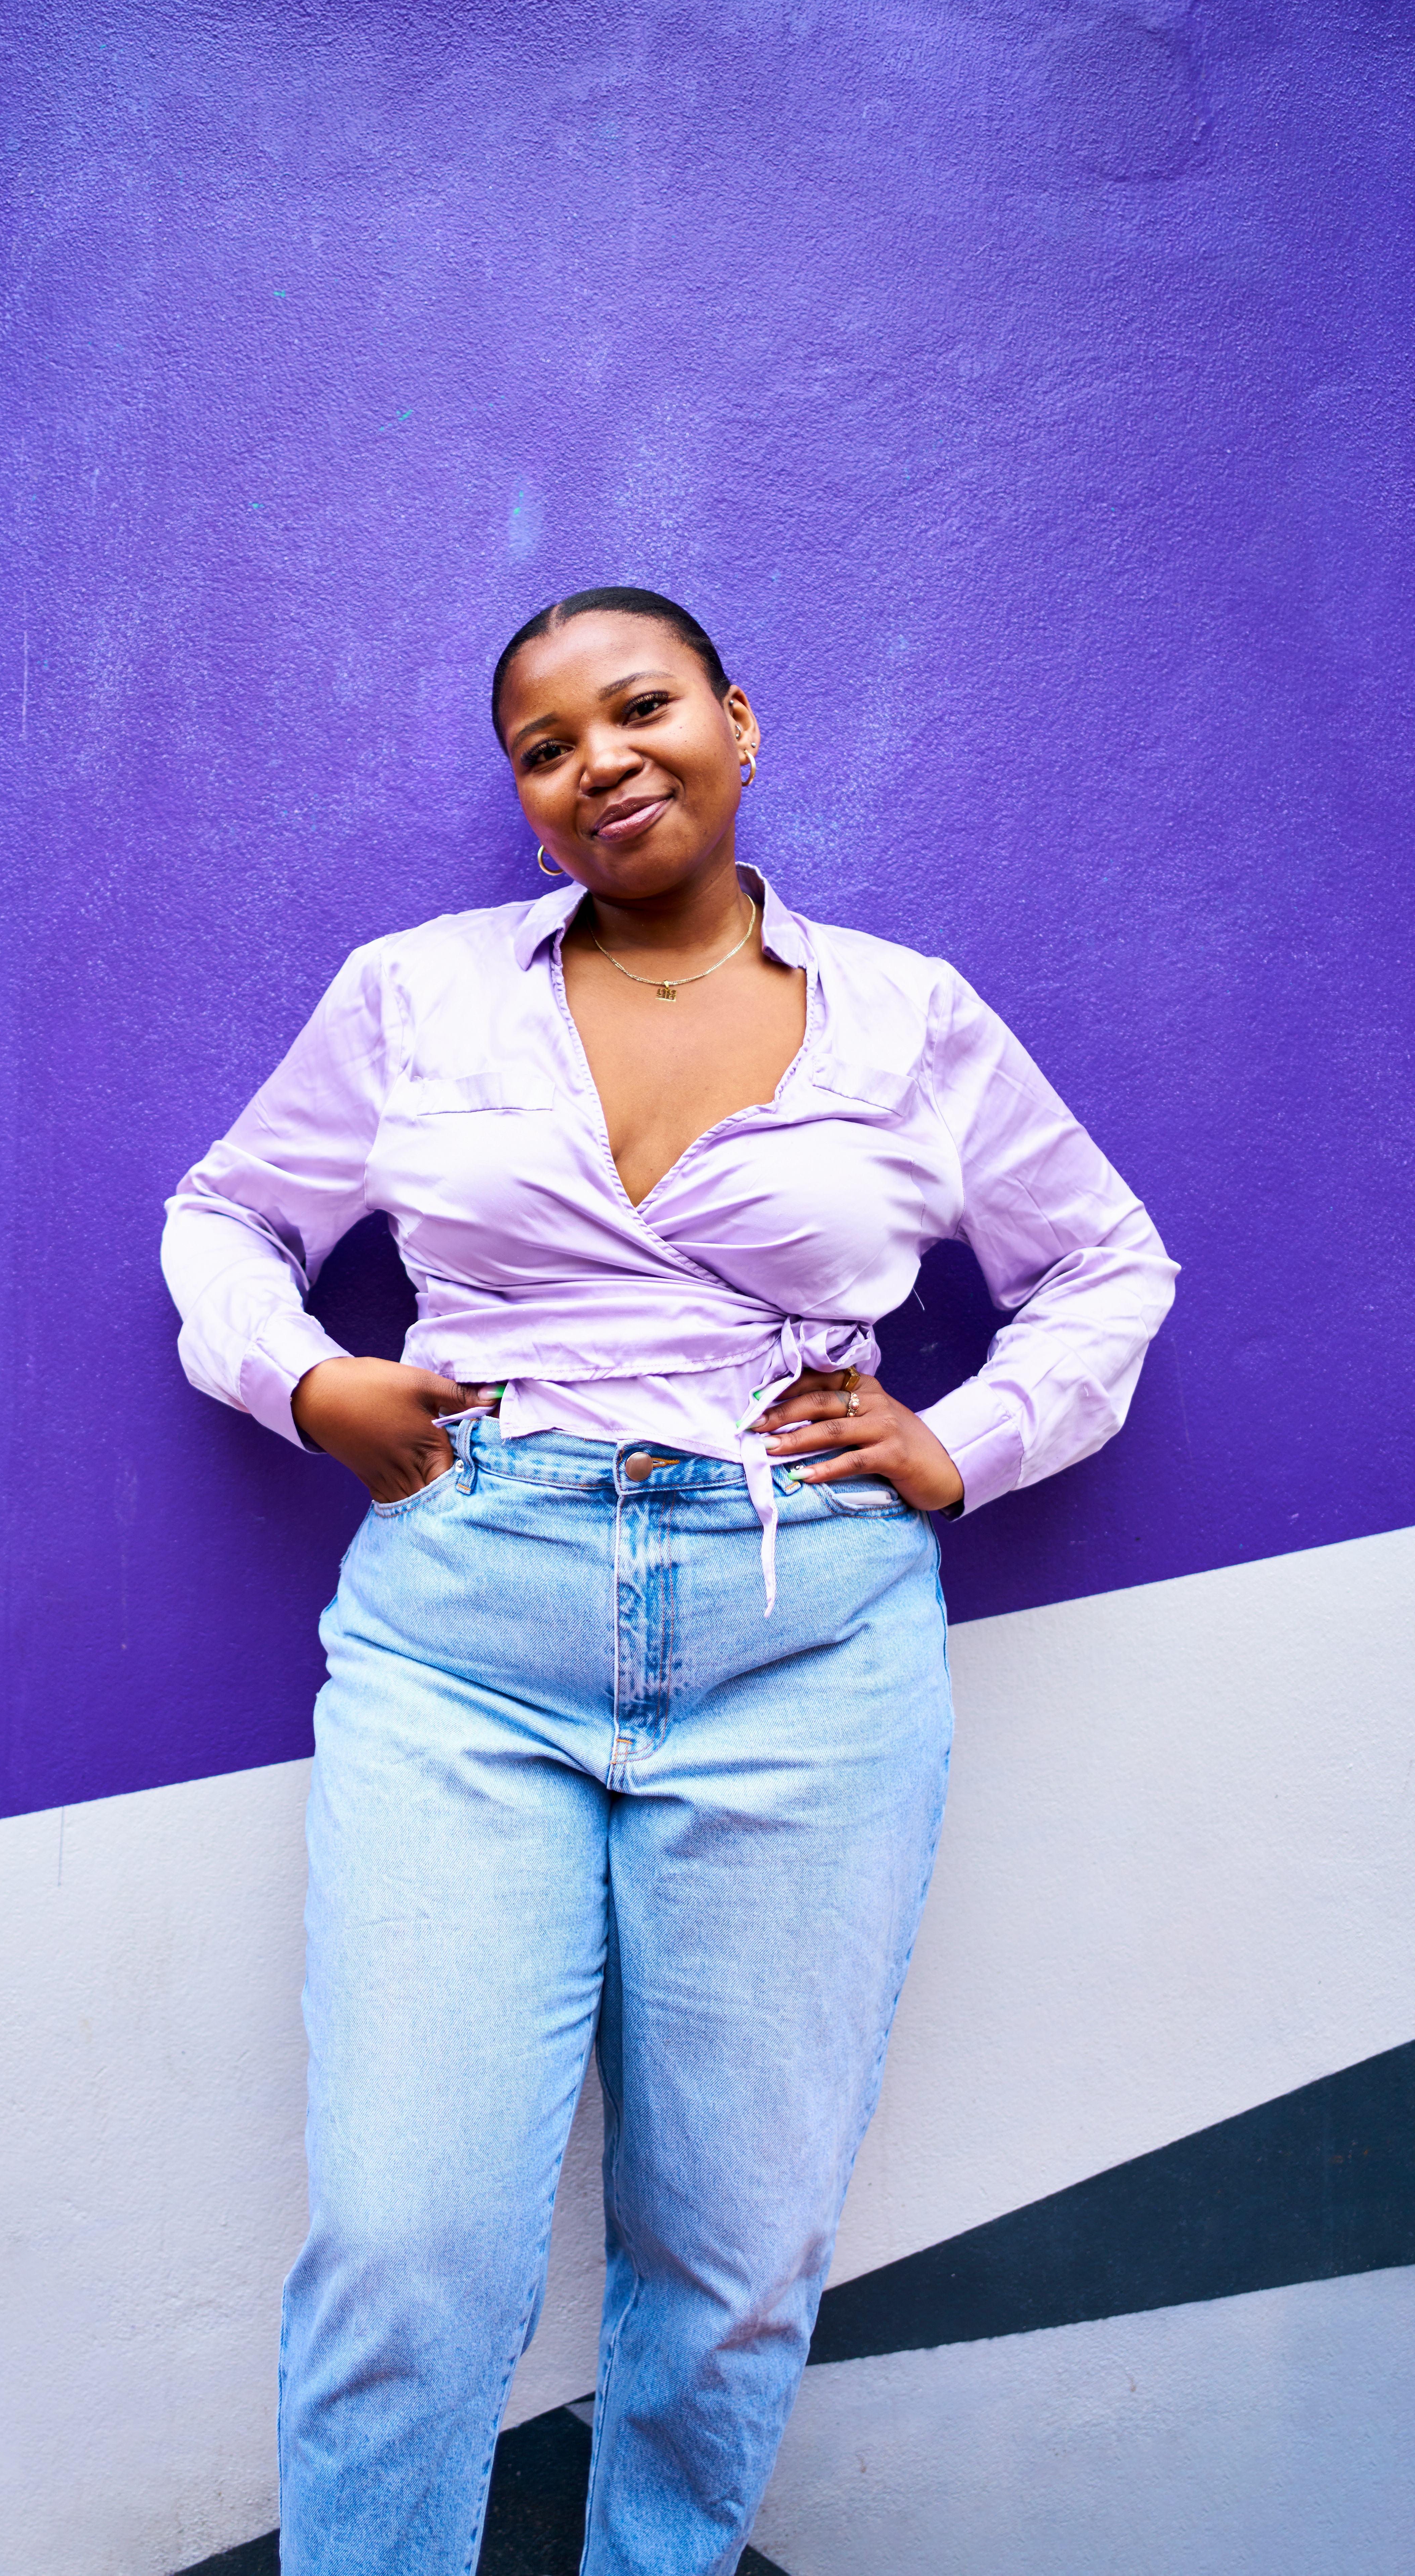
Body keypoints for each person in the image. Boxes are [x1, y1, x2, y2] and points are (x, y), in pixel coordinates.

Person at [162, 587, 1176, 2576]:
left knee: (730, 2260)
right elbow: (227, 1215)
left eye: (637, 711)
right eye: (543, 748)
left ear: (734, 721)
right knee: (408, 2243)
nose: (596, 763)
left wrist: (968, 1442)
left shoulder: (911, 1015)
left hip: (804, 1657)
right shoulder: (415, 994)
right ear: (524, 800)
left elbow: (1106, 1266)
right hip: (467, 1637)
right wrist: (303, 1379)